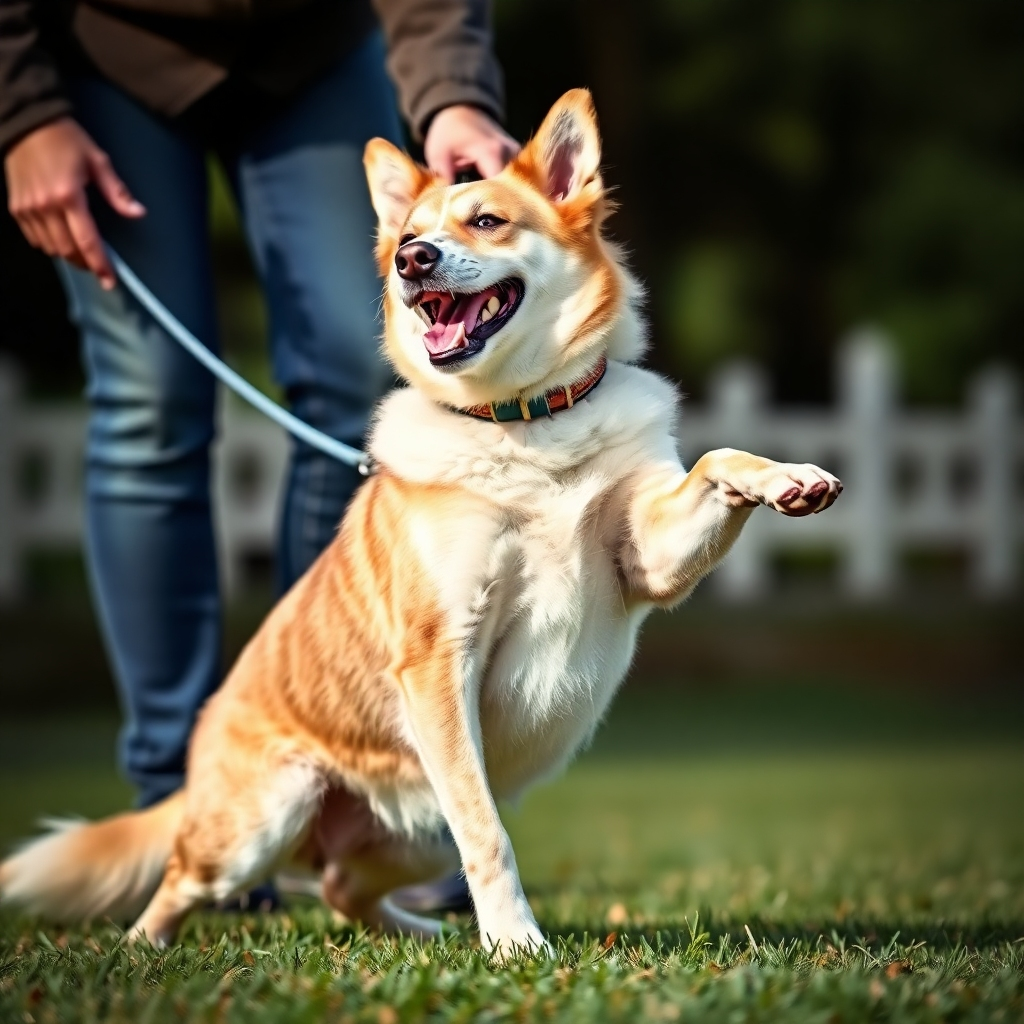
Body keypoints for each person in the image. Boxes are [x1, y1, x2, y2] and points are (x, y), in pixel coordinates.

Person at [1, 0, 518, 910]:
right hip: (101, 51)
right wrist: (21, 109)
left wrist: (452, 98)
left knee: (363, 381)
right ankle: (189, 798)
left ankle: (364, 800)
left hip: (309, 48)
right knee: (152, 399)